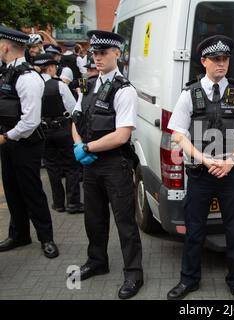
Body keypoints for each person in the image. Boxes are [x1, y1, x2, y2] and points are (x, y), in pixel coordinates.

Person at [166, 35, 234, 300]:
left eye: (225, 59)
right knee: (194, 229)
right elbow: (177, 133)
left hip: (230, 173)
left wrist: (231, 161)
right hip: (200, 173)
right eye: (216, 59)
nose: (222, 64)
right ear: (204, 61)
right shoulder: (190, 94)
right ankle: (189, 280)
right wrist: (204, 159)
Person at [70, 30, 143, 300]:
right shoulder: (87, 85)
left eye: (103, 53)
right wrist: (78, 145)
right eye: (95, 53)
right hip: (90, 165)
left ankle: (134, 273)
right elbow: (76, 120)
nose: (97, 58)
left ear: (117, 54)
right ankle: (97, 261)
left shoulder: (125, 90)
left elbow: (121, 134)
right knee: (94, 218)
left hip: (115, 165)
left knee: (125, 221)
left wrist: (87, 148)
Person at [0, 26, 59, 258]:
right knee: (12, 190)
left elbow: (31, 121)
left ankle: (47, 238)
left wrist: (6, 137)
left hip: (25, 143)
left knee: (32, 191)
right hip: (8, 141)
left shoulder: (28, 77)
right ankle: (19, 234)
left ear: (5, 47)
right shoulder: (5, 72)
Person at [33, 53, 83, 214]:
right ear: (50, 67)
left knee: (52, 167)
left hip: (43, 130)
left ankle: (58, 203)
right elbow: (72, 107)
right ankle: (73, 202)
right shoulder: (59, 85)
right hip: (62, 129)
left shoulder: (32, 85)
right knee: (71, 167)